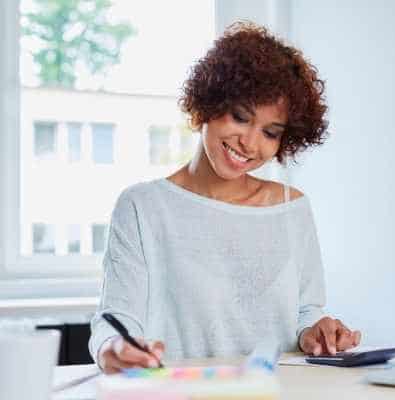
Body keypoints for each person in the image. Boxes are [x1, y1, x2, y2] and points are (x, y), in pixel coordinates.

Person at [89, 22, 361, 374]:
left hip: (279, 392)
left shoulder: (291, 208)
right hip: (181, 393)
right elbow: (116, 318)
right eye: (240, 117)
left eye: (270, 132)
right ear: (207, 104)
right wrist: (115, 348)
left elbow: (306, 312)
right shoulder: (143, 207)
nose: (249, 142)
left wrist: (317, 331)